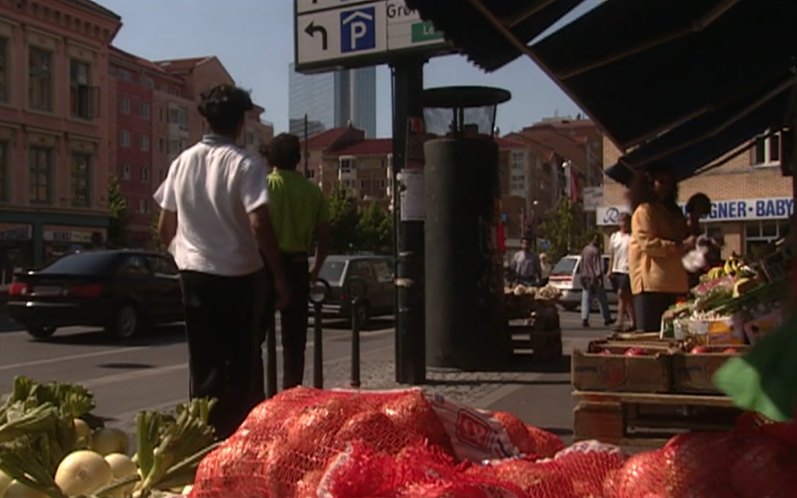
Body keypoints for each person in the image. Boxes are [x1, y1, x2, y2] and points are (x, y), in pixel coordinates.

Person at [153, 84, 289, 439]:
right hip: (239, 276)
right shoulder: (246, 163)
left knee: (203, 364)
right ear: (241, 122)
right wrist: (278, 276)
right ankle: (240, 439)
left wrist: (182, 256)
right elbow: (259, 222)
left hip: (194, 275)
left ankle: (203, 438)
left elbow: (164, 225)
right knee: (241, 364)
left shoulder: (182, 162)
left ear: (205, 121)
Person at [260, 133, 331, 389]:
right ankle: (291, 398)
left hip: (265, 264)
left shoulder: (264, 186)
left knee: (254, 338)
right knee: (295, 343)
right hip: (299, 266)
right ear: (298, 160)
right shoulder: (312, 192)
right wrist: (315, 269)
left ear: (271, 158)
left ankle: (258, 401)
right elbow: (325, 237)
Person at [628, 164, 689, 332]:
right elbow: (648, 244)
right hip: (651, 285)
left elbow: (683, 238)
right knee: (651, 335)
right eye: (661, 182)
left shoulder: (673, 212)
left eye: (669, 183)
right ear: (649, 183)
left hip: (675, 283)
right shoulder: (644, 211)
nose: (665, 187)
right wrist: (677, 247)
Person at [579, 234, 614, 328]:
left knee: (586, 299)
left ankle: (584, 318)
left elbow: (581, 264)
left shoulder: (585, 250)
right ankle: (606, 318)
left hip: (585, 277)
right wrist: (599, 278)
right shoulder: (596, 251)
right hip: (594, 278)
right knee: (602, 299)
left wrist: (582, 276)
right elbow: (597, 266)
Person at [608, 213, 636, 332]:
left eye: (625, 221)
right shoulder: (614, 237)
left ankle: (619, 321)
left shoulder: (632, 237)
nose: (623, 224)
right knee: (627, 298)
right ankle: (633, 321)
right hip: (616, 270)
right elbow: (611, 255)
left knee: (621, 294)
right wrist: (609, 270)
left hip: (627, 270)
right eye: (621, 221)